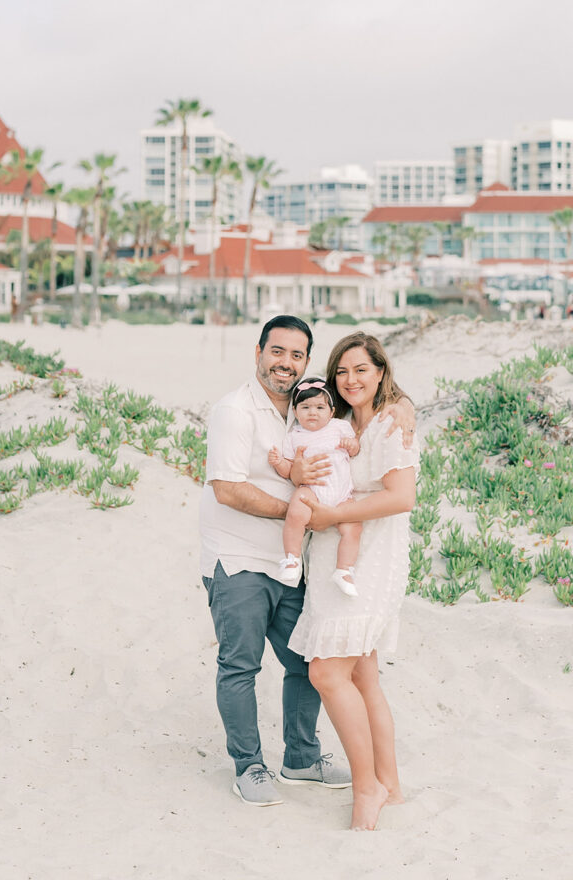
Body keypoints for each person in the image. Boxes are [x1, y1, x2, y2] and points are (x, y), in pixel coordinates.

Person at [200, 315, 415, 808]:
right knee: (240, 666)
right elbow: (227, 488)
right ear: (258, 351)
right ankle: (248, 765)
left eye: (297, 355)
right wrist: (307, 511)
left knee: (307, 661)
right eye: (277, 352)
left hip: (297, 561)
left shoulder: (308, 409)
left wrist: (403, 404)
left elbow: (370, 404)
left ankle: (300, 756)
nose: (286, 363)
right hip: (240, 559)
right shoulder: (235, 410)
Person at [287, 331, 419, 832]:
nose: (351, 379)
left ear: (381, 372)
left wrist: (334, 512)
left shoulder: (391, 423)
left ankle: (366, 786)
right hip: (332, 557)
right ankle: (390, 782)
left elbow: (401, 497)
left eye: (361, 369)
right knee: (362, 676)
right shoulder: (338, 425)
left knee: (326, 673)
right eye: (342, 371)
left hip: (372, 556)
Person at [268, 377, 362, 597]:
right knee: (296, 510)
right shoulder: (294, 436)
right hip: (312, 491)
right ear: (295, 411)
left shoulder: (340, 427)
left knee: (353, 528)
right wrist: (278, 462)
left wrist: (352, 444)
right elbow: (289, 470)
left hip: (341, 493)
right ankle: (292, 559)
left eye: (320, 407)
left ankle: (344, 570)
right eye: (306, 407)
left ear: (331, 412)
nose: (313, 412)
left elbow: (355, 448)